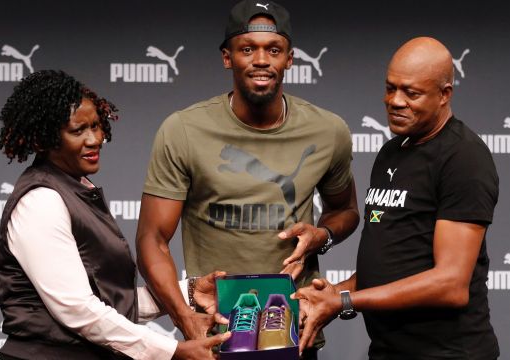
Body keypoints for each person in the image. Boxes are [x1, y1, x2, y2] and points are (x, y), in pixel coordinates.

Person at [136, 1, 359, 358]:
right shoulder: (184, 130)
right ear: (228, 58)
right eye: (247, 49)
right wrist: (184, 317)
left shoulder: (328, 131)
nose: (260, 60)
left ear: (289, 58)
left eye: (273, 50)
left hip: (293, 330)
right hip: (217, 330)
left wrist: (323, 235)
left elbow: (345, 210)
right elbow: (152, 237)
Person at [0, 70, 230, 360]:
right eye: (77, 131)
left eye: (96, 126)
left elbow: (111, 304)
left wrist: (189, 292)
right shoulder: (41, 199)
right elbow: (78, 310)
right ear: (43, 140)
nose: (94, 139)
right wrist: (172, 351)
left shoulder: (77, 188)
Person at [294, 37, 501, 359]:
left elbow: (451, 284)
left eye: (411, 92)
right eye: (390, 88)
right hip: (389, 350)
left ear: (445, 94)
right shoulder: (393, 151)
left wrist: (345, 302)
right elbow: (394, 266)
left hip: (448, 353)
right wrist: (335, 293)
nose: (395, 101)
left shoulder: (463, 158)